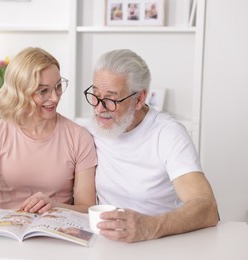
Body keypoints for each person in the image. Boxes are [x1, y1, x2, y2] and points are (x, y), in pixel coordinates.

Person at [81, 49, 219, 242]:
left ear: (139, 99)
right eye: (95, 95)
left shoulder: (168, 133)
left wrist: (149, 226)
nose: (98, 108)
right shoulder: (89, 129)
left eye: (111, 99)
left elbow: (207, 208)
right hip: (109, 243)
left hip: (163, 241)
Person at [0, 47, 97, 214]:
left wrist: (55, 206)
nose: (55, 97)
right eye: (43, 91)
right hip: (1, 227)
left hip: (53, 230)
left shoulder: (78, 137)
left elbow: (87, 208)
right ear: (20, 92)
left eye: (58, 86)